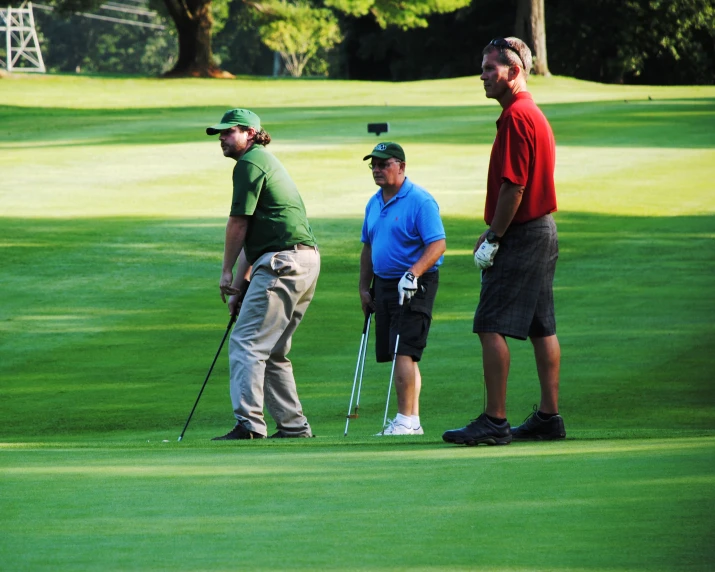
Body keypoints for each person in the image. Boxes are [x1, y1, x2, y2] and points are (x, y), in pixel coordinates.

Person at [442, 37, 566, 446]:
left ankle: (495, 420)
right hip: (543, 228)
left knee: (489, 322)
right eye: (482, 68)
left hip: (523, 231)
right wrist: (493, 226)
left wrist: (495, 234)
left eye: (490, 69)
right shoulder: (531, 113)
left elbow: (514, 187)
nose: (482, 76)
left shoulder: (516, 116)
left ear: (515, 72)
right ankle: (549, 417)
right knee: (540, 325)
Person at [207, 108, 320, 440]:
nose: (223, 139)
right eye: (220, 133)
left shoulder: (249, 164)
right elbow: (255, 239)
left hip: (283, 261)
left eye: (229, 132)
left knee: (246, 341)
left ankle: (250, 424)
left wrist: (226, 272)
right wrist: (242, 286)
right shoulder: (262, 161)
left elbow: (238, 225)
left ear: (251, 133)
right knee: (272, 350)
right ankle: (294, 427)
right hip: (301, 260)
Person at [359, 142, 446, 435]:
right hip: (383, 284)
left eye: (384, 164)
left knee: (404, 350)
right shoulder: (374, 202)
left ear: (402, 167)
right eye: (374, 164)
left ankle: (405, 420)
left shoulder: (420, 201)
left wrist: (413, 273)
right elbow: (368, 247)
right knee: (395, 350)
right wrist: (363, 287)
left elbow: (438, 244)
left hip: (414, 284)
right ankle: (412, 420)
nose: (377, 169)